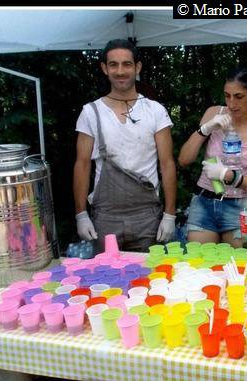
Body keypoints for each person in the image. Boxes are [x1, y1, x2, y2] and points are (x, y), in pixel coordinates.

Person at [73, 39, 177, 253]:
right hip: (105, 219)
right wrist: (81, 214)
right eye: (113, 64)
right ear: (105, 68)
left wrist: (170, 214)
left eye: (127, 64)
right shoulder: (91, 112)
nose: (120, 71)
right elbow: (82, 164)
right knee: (105, 274)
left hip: (147, 217)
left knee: (148, 273)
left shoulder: (155, 110)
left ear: (137, 67)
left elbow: (167, 164)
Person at [178, 68, 247, 247]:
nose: (232, 104)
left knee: (239, 262)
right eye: (227, 96)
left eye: (239, 96)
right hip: (204, 200)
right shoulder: (214, 113)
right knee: (200, 261)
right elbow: (184, 160)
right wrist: (204, 129)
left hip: (240, 206)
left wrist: (229, 176)